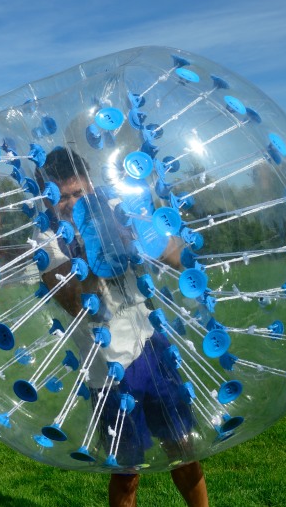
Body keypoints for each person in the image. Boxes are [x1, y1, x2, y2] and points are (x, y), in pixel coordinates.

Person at [38, 147, 208, 507]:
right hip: (108, 369)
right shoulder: (47, 246)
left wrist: (141, 234)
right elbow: (79, 306)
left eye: (78, 193)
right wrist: (89, 251)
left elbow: (171, 255)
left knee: (183, 447)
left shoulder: (116, 213)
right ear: (50, 200)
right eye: (62, 197)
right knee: (126, 471)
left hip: (152, 344)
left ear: (91, 187)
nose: (70, 203)